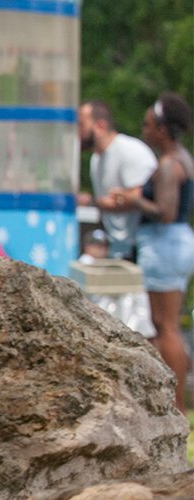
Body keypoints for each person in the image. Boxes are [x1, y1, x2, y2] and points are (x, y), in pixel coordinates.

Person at [121, 92, 194, 410]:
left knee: (166, 327)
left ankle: (177, 404)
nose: (144, 130)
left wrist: (133, 201)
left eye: (148, 124)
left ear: (162, 130)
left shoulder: (168, 164)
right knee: (166, 325)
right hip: (175, 244)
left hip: (165, 244)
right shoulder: (183, 157)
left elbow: (165, 210)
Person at [78, 100, 159, 261]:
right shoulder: (96, 159)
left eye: (81, 125)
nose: (77, 132)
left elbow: (137, 199)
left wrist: (90, 201)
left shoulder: (130, 151)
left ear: (100, 126)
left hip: (141, 247)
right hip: (115, 248)